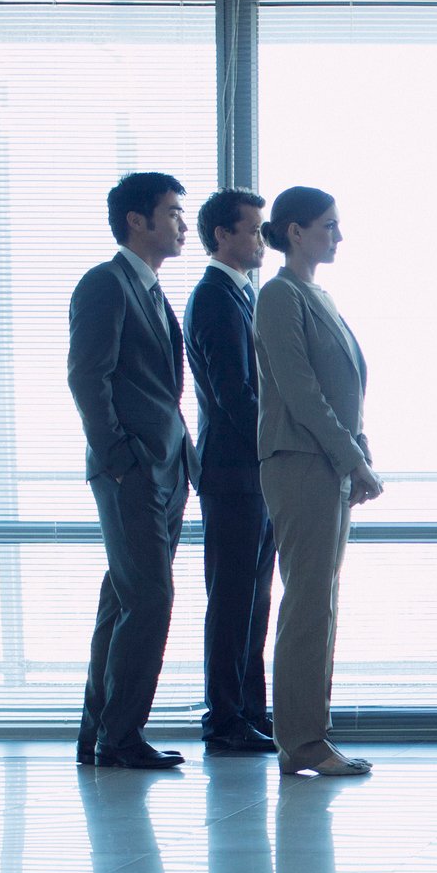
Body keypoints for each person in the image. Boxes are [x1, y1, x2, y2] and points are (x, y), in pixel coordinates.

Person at [254, 186, 383, 778]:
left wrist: (357, 452)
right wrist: (351, 458)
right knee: (308, 601)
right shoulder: (280, 295)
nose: (338, 236)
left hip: (325, 461)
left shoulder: (316, 294)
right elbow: (301, 391)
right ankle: (301, 741)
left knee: (320, 600)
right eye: (328, 226)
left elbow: (343, 387)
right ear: (295, 231)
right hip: (300, 460)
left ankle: (310, 734)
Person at [68, 172, 196, 771]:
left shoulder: (152, 291)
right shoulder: (106, 283)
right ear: (136, 221)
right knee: (149, 601)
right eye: (172, 213)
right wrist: (119, 460)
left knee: (123, 601)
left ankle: (99, 736)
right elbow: (86, 377)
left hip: (166, 473)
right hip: (133, 471)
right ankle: (120, 738)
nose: (182, 224)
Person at [185, 188, 277, 757]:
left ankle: (246, 713)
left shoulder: (239, 294)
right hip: (235, 472)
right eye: (254, 229)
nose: (262, 239)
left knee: (252, 599)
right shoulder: (216, 297)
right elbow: (234, 396)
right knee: (233, 600)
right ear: (223, 234)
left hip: (248, 472)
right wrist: (278, 447)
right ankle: (225, 720)